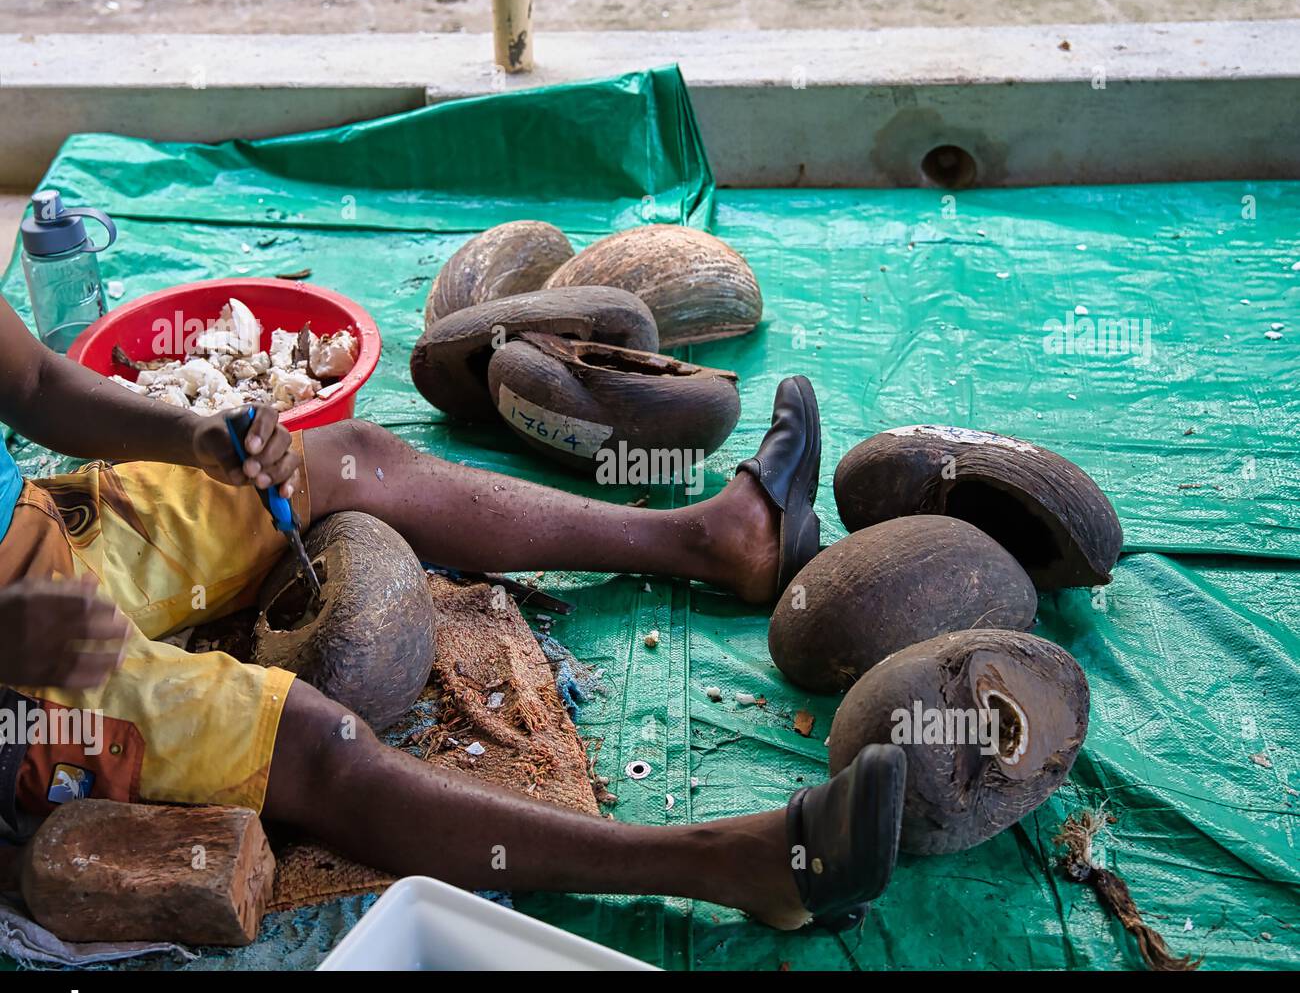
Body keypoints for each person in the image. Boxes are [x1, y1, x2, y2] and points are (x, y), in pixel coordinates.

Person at [0, 293, 904, 930]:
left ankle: (718, 540)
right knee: (321, 746)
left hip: (36, 535)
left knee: (349, 457)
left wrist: (192, 436)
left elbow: (35, 384)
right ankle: (730, 866)